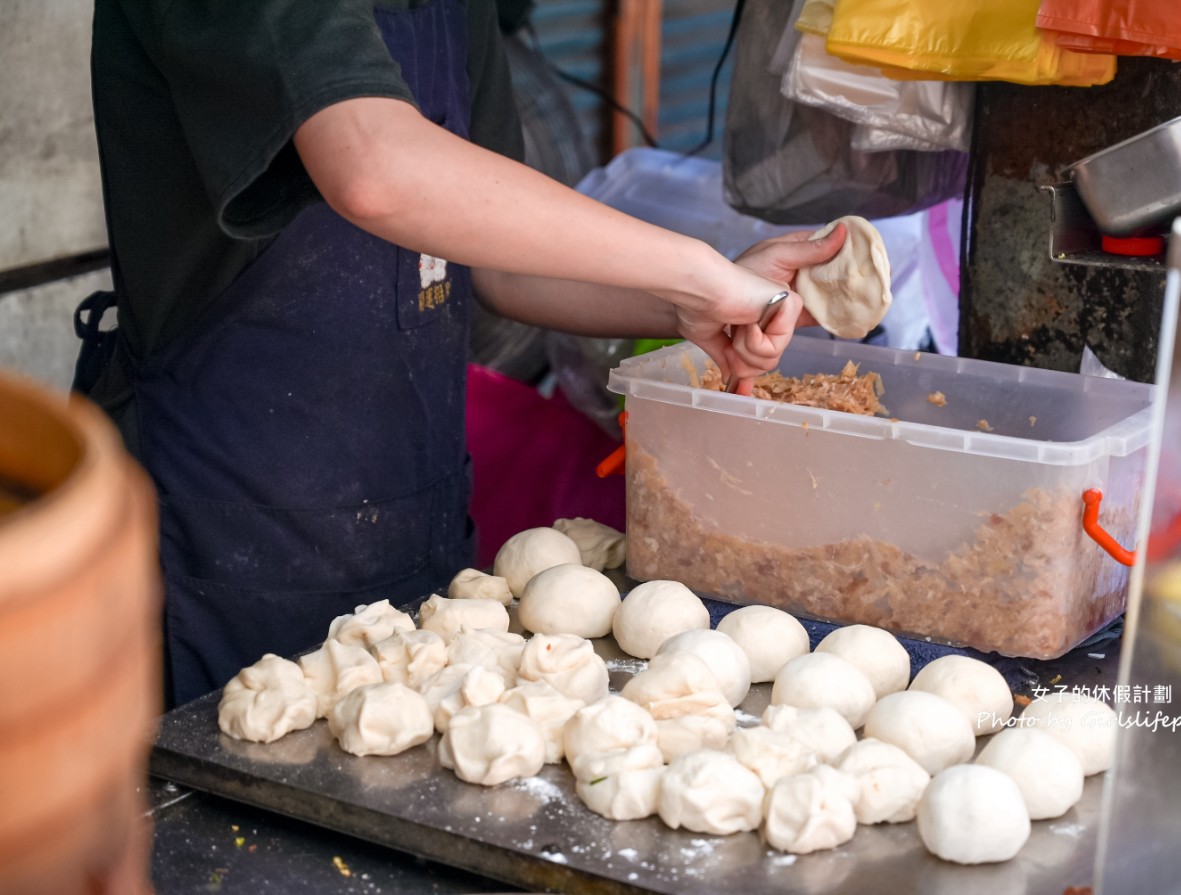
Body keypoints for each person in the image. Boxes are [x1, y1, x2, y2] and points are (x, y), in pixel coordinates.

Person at [83, 0, 846, 707]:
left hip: (415, 520)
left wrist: (691, 302)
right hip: (230, 539)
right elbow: (375, 170)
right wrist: (692, 270)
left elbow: (502, 262)